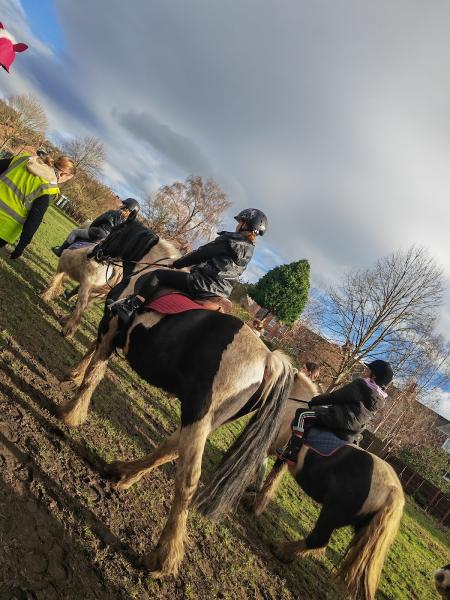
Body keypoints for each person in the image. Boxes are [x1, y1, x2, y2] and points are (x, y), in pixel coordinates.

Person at [112, 208, 268, 325]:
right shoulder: (249, 250)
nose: (237, 225)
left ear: (245, 225)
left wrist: (177, 263)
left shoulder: (230, 240)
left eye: (240, 222)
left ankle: (131, 306)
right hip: (222, 292)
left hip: (202, 284)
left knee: (158, 275)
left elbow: (201, 254)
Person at [277, 359, 394, 463]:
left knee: (301, 414)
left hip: (337, 419)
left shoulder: (360, 385)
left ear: (373, 376)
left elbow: (335, 397)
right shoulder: (380, 400)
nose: (365, 372)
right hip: (354, 431)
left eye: (368, 370)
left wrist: (313, 401)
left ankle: (291, 450)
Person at [0, 151, 76, 259]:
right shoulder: (49, 187)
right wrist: (22, 245)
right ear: (62, 174)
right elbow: (35, 218)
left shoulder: (24, 159)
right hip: (3, 228)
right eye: (66, 180)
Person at [51, 197, 140, 257]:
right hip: (106, 241)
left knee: (75, 232)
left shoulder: (113, 212)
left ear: (126, 206)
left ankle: (61, 250)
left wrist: (91, 228)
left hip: (98, 232)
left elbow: (98, 220)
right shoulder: (126, 223)